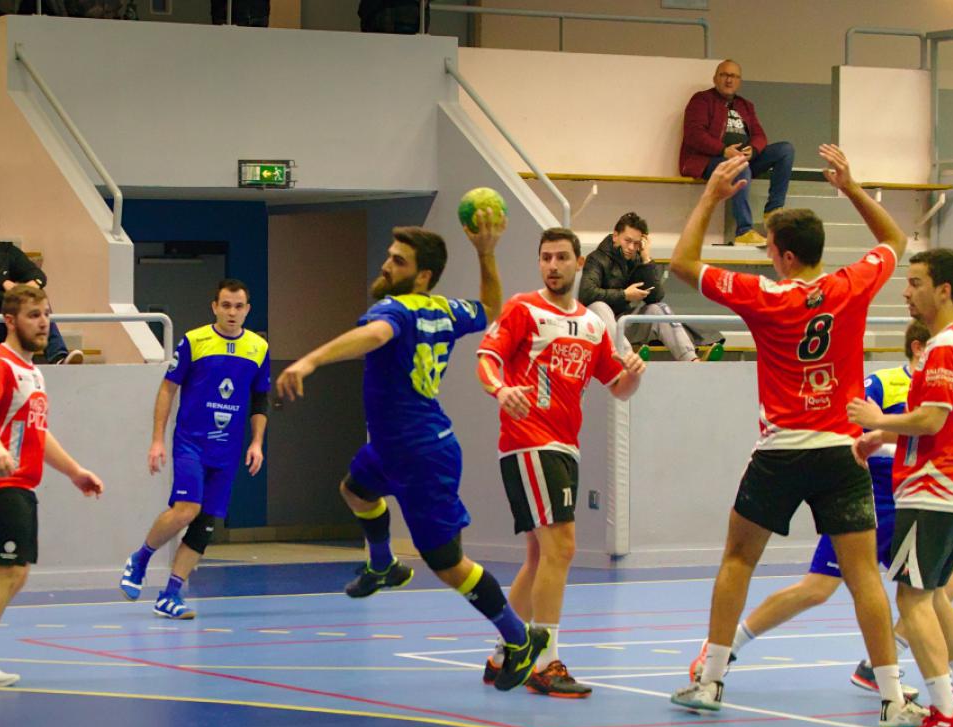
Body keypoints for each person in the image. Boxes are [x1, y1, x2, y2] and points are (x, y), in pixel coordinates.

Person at [666, 145, 924, 727]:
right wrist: (853, 187)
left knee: (738, 560)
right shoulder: (850, 286)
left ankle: (710, 682)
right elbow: (897, 242)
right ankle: (890, 698)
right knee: (863, 578)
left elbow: (682, 265)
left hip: (780, 451)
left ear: (782, 257)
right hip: (838, 451)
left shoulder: (764, 297)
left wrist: (711, 196)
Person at [276, 216, 552, 692]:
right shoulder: (444, 309)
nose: (386, 264)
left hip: (424, 455)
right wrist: (486, 254)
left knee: (447, 564)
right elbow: (489, 307)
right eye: (389, 255)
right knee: (356, 490)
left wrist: (311, 359)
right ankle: (382, 563)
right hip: (391, 446)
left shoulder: (396, 311)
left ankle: (519, 637)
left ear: (421, 275)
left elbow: (376, 335)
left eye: (397, 260)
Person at [689, 321, 953, 703]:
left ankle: (879, 664)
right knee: (817, 589)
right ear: (918, 348)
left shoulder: (935, 392)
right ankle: (728, 645)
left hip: (906, 501)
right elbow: (856, 433)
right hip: (871, 498)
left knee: (944, 584)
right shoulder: (883, 384)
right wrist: (898, 444)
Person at [475, 227, 646, 697]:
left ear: (578, 262)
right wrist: (501, 389)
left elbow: (618, 387)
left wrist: (632, 375)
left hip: (565, 445)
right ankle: (544, 662)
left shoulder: (593, 325)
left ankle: (504, 653)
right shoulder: (523, 309)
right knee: (563, 548)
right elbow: (486, 357)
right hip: (529, 441)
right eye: (545, 258)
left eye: (562, 257)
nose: (553, 266)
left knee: (540, 555)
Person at [848, 249, 953, 727]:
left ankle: (945, 715)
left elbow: (932, 421)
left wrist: (877, 420)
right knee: (931, 593)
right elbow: (943, 425)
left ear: (944, 291)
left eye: (915, 283)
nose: (905, 292)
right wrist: (885, 441)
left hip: (933, 488)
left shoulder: (944, 347)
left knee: (912, 597)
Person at [0, 284, 104, 686]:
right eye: (33, 315)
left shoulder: (34, 372)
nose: (44, 322)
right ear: (10, 321)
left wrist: (75, 471)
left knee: (16, 572)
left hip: (19, 484)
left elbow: (38, 435)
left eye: (47, 314)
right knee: (6, 573)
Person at [119, 279, 269, 619]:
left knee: (205, 526)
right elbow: (167, 389)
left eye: (239, 306)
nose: (232, 312)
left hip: (228, 452)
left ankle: (171, 594)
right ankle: (140, 559)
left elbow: (260, 399)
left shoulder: (258, 348)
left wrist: (257, 442)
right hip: (191, 443)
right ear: (215, 306)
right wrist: (158, 439)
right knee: (186, 508)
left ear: (247, 309)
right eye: (226, 305)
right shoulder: (195, 341)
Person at [0, 202, 82, 365]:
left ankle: (58, 356)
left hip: (3, 320)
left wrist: (32, 285)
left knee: (37, 296)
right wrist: (3, 283)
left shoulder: (8, 251)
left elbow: (39, 275)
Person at [578, 212, 722, 362]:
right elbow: (586, 294)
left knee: (658, 308)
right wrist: (624, 295)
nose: (631, 247)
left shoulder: (636, 259)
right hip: (596, 328)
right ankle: (628, 359)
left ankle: (691, 360)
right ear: (615, 236)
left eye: (636, 243)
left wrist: (646, 258)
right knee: (600, 306)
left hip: (622, 325)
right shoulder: (596, 258)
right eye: (627, 241)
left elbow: (656, 297)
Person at [680, 60, 794, 248]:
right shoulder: (701, 100)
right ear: (715, 78)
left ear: (739, 81)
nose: (729, 80)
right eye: (724, 75)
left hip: (740, 159)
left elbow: (759, 135)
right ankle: (743, 231)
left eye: (734, 76)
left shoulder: (745, 105)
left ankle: (773, 211)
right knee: (740, 167)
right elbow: (694, 134)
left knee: (785, 150)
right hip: (710, 161)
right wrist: (723, 150)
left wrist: (754, 149)